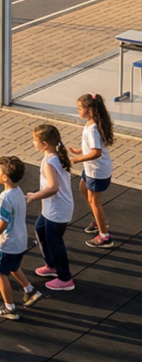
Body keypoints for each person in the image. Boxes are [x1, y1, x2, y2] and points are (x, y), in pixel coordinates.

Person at [0, 156, 43, 320]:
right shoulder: (18, 191)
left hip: (7, 243)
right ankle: (29, 290)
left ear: (5, 177)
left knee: (0, 272)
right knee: (13, 266)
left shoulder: (4, 198)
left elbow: (4, 222)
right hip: (19, 241)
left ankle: (10, 307)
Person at [26, 123, 75, 291]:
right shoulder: (53, 157)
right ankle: (52, 266)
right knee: (40, 230)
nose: (33, 142)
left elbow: (53, 187)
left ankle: (65, 278)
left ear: (45, 144)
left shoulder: (50, 161)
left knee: (55, 241)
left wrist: (33, 196)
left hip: (57, 209)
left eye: (34, 140)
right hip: (51, 208)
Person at [69, 93, 115, 249]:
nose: (78, 110)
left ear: (90, 110)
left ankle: (104, 236)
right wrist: (78, 150)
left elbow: (96, 152)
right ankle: (97, 221)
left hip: (97, 171)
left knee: (94, 202)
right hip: (91, 169)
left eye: (80, 108)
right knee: (83, 188)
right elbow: (91, 146)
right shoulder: (91, 123)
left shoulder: (93, 128)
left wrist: (76, 159)